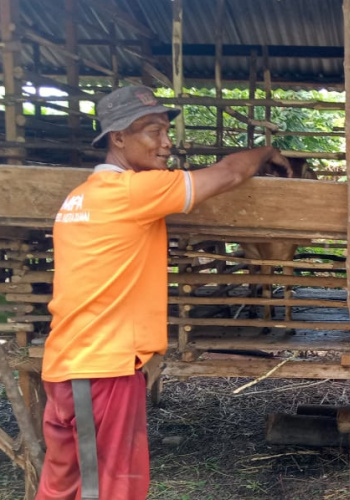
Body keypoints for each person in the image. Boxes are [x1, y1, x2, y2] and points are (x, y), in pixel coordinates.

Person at [37, 85, 291, 500]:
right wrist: (265, 153)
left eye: (166, 131)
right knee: (113, 487)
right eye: (153, 131)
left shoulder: (80, 197)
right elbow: (229, 173)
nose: (166, 142)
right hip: (102, 369)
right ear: (117, 138)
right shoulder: (132, 192)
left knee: (64, 485)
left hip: (73, 364)